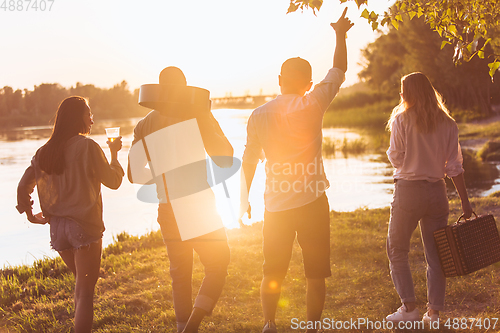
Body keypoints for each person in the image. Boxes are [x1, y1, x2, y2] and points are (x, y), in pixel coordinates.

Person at [241, 9, 353, 333]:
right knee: (315, 273)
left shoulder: (257, 115)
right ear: (308, 83)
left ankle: (269, 324)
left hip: (275, 206)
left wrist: (243, 198)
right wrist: (340, 35)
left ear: (278, 81)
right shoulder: (314, 102)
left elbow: (249, 159)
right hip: (313, 204)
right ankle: (313, 327)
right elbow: (339, 69)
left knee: (271, 271)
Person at [128, 66, 233, 333]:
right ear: (185, 88)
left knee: (180, 273)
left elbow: (133, 174)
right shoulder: (198, 115)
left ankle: (181, 329)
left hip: (167, 207)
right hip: (197, 204)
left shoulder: (143, 125)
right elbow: (225, 157)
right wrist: (208, 116)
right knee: (219, 263)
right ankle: (192, 326)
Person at [16, 96, 124, 333]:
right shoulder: (88, 147)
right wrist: (115, 155)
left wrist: (29, 213)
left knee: (80, 288)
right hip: (83, 228)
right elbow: (114, 181)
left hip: (58, 231)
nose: (92, 120)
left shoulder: (44, 152)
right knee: (85, 294)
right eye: (89, 114)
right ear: (78, 118)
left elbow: (24, 184)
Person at [385, 72, 473, 325]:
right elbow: (454, 166)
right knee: (436, 255)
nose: (401, 95)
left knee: (397, 249)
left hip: (408, 192)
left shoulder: (401, 120)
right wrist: (465, 202)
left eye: (402, 91)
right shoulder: (448, 123)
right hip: (437, 192)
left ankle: (409, 308)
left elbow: (395, 158)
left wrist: (412, 160)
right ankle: (433, 314)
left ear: (408, 93)